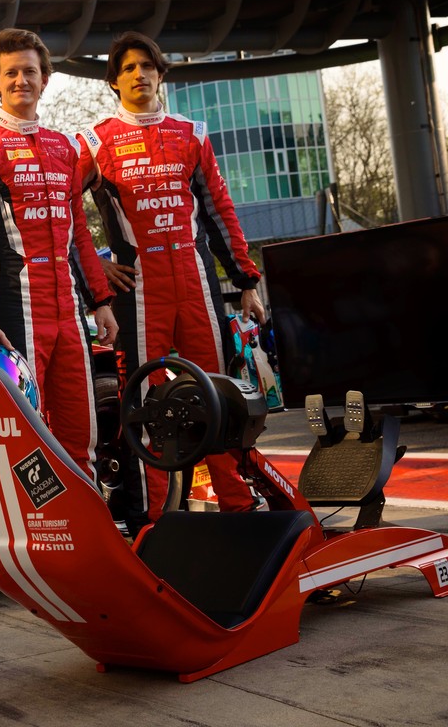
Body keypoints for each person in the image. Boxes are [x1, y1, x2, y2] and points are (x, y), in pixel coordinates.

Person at [77, 30, 266, 531]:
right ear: (114, 81)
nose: (139, 74)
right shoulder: (94, 141)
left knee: (219, 394)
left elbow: (220, 209)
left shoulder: (192, 133)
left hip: (196, 280)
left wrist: (246, 279)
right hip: (139, 291)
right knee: (145, 403)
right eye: (128, 68)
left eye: (147, 66)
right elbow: (59, 209)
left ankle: (239, 507)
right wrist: (95, 268)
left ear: (161, 74)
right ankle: (153, 521)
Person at [0, 27, 118, 474]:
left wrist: (101, 301)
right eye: (11, 73)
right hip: (12, 311)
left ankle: (82, 516)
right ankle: (31, 522)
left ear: (45, 80)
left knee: (81, 436)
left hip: (69, 314)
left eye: (30, 72)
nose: (21, 80)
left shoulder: (65, 147)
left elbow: (80, 235)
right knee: (26, 439)